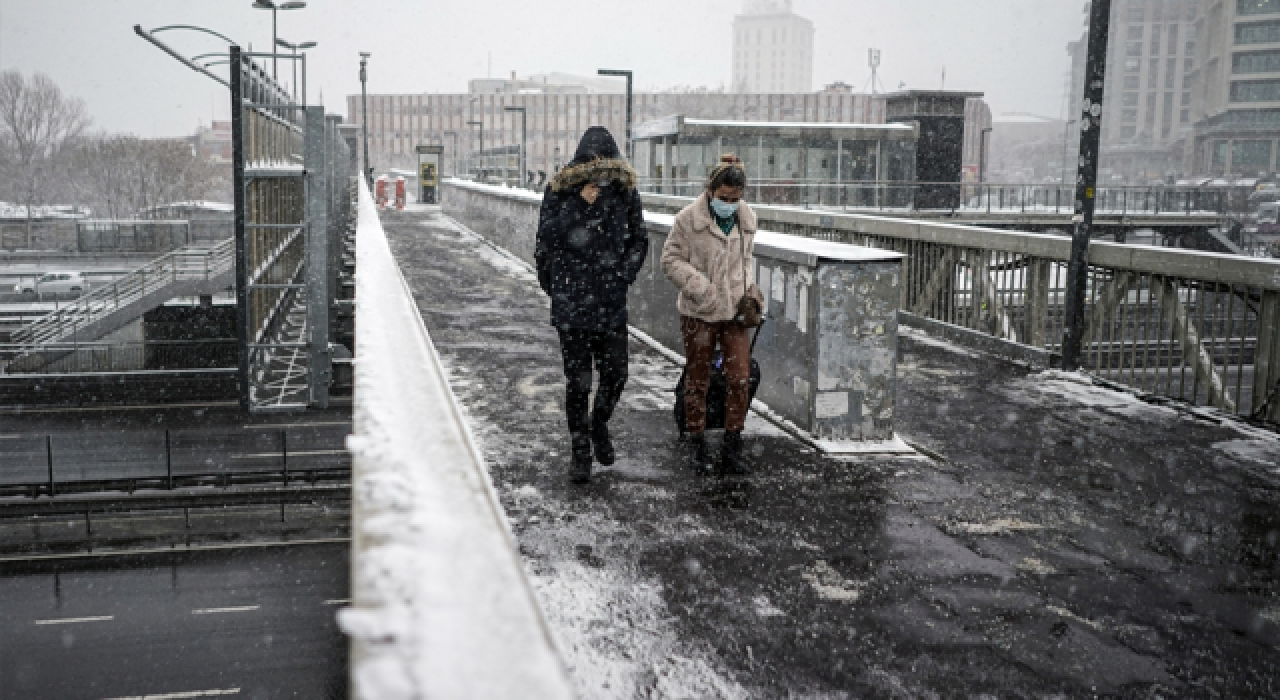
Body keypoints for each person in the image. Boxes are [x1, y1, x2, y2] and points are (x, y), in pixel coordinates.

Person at [535, 127, 648, 484]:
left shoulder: (624, 192)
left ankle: (598, 423)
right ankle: (580, 450)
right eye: (591, 161)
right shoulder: (560, 190)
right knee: (578, 383)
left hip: (610, 302)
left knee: (616, 374)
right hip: (571, 305)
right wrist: (577, 205)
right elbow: (546, 239)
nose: (599, 168)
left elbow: (639, 240)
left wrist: (623, 275)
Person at [661, 155, 764, 475]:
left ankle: (733, 443)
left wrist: (750, 293)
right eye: (724, 198)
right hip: (699, 312)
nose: (729, 205)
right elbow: (670, 260)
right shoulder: (687, 220)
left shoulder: (747, 221)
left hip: (735, 313)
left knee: (740, 378)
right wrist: (702, 289)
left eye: (735, 199)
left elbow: (745, 263)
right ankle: (696, 440)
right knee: (698, 379)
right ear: (710, 191)